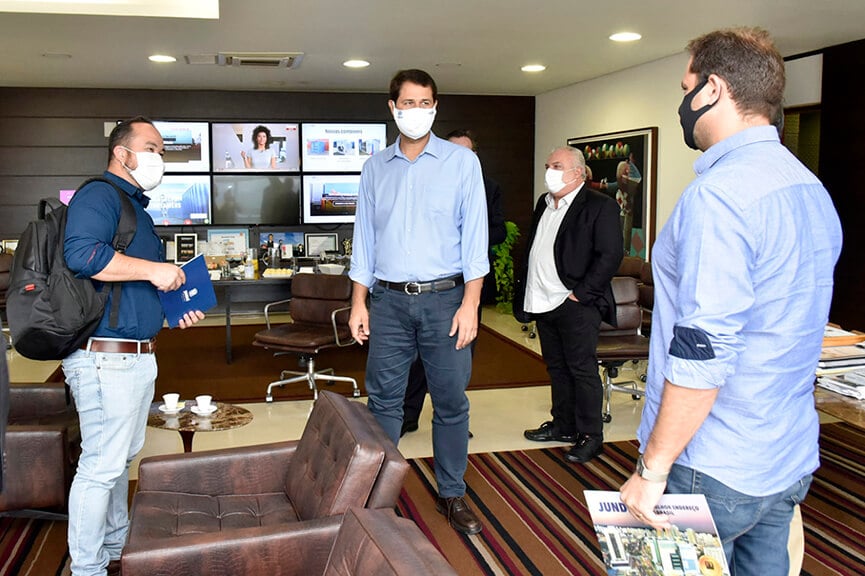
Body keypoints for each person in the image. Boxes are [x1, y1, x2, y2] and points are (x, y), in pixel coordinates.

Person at [619, 28, 843, 576]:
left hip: (710, 463)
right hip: (785, 454)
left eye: (686, 85)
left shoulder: (718, 197)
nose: (683, 101)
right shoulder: (809, 188)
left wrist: (652, 469)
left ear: (714, 90)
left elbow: (703, 352)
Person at [62, 116, 205, 576]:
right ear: (122, 153)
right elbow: (82, 254)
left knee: (119, 459)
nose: (159, 158)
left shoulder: (134, 208)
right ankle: (86, 568)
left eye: (162, 150)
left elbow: (130, 286)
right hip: (106, 359)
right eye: (152, 148)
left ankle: (116, 547)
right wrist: (153, 270)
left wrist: (171, 309)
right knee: (101, 467)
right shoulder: (99, 195)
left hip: (134, 355)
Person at [349, 69, 489, 536]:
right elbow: (364, 242)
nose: (416, 110)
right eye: (407, 102)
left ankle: (452, 493)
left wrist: (470, 304)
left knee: (450, 402)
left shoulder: (461, 164)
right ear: (393, 108)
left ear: (435, 106)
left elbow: (475, 240)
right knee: (384, 403)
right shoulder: (374, 168)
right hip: (387, 301)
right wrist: (358, 302)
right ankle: (378, 496)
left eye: (424, 102)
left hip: (445, 301)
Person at [518, 146, 622, 464]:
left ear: (577, 172)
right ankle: (563, 424)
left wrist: (581, 293)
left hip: (575, 302)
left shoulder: (599, 206)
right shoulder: (544, 203)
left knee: (582, 369)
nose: (549, 170)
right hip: (543, 300)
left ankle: (591, 435)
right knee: (558, 368)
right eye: (548, 164)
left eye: (557, 165)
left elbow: (610, 255)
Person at [401, 128, 507, 436]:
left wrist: (472, 231)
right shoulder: (422, 180)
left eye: (468, 152)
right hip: (429, 283)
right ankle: (409, 414)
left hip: (467, 285)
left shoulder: (488, 187)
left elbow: (499, 230)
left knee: (459, 357)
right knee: (418, 356)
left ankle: (452, 418)